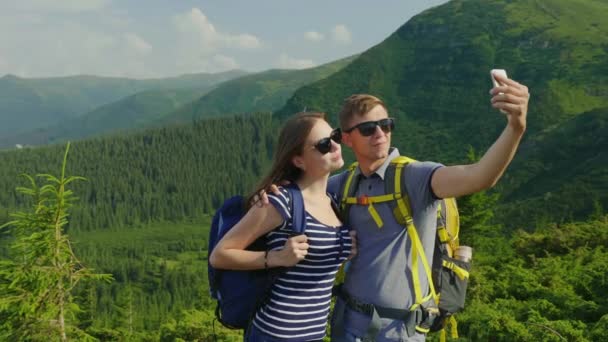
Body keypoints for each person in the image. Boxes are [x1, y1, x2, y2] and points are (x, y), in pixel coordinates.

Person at [326, 72, 530, 341]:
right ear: (347, 139)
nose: (380, 133)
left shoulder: (415, 176)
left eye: (385, 125)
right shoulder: (342, 185)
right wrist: (267, 193)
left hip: (399, 330)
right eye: (367, 129)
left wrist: (516, 127)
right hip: (346, 322)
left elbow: (480, 176)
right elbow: (294, 197)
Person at [209, 112, 357, 341]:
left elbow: (315, 268)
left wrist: (346, 250)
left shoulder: (333, 201)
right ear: (298, 160)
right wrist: (276, 257)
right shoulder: (280, 201)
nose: (336, 145)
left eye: (335, 136)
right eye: (324, 144)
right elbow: (220, 255)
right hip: (275, 333)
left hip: (313, 334)